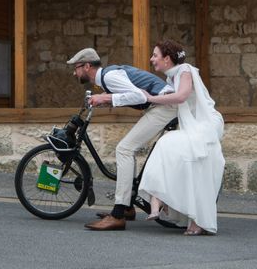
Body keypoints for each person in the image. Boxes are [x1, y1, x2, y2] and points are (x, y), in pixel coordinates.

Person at [66, 47, 177, 231]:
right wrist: (105, 97)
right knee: (127, 149)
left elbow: (139, 96)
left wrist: (105, 98)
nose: (74, 72)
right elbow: (135, 94)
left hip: (166, 107)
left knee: (124, 149)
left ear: (86, 66)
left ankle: (117, 215)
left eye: (76, 67)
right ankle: (127, 207)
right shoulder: (108, 76)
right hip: (162, 106)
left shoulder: (109, 77)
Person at [138, 40, 225, 236]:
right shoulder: (171, 79)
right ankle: (159, 200)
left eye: (155, 55)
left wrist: (149, 98)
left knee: (171, 148)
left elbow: (181, 97)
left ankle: (173, 207)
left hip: (205, 125)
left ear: (167, 59)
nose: (152, 59)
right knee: (168, 150)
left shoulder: (185, 71)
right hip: (192, 127)